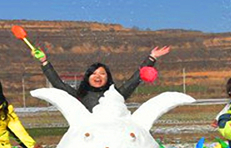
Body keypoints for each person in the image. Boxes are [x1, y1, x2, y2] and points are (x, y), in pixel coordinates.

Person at [30, 46, 171, 111]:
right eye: (94, 74)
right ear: (88, 77)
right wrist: (44, 62)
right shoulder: (79, 96)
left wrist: (151, 58)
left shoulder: (116, 95)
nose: (98, 76)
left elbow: (135, 79)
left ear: (108, 77)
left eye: (102, 74)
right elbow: (57, 83)